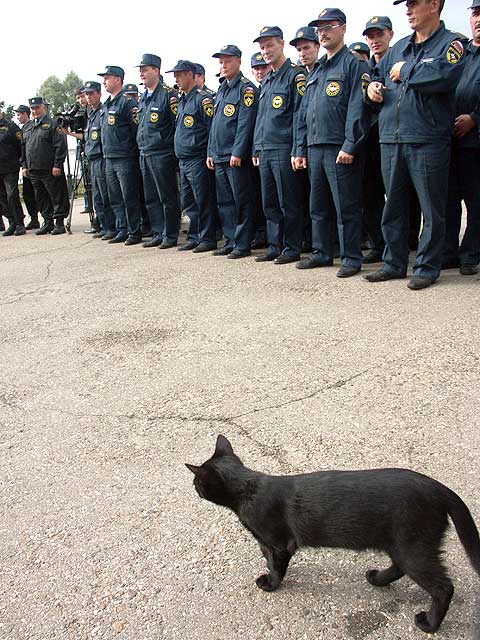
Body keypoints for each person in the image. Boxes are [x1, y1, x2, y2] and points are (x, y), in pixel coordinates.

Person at [365, 0, 467, 290]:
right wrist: (371, 87)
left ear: (434, 4)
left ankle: (426, 266)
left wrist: (406, 70)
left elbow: (445, 75)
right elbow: (376, 74)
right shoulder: (398, 47)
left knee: (431, 209)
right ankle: (394, 263)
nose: (408, 9)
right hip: (392, 139)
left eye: (414, 3)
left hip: (427, 138)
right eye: (406, 5)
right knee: (393, 207)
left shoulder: (452, 43)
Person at [294, 8, 371, 277]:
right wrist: (300, 148)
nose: (323, 33)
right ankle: (322, 252)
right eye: (319, 29)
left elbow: (358, 107)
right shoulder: (316, 71)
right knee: (318, 206)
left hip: (339, 148)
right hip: (315, 147)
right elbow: (304, 112)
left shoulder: (353, 64)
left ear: (343, 29)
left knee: (345, 207)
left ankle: (350, 256)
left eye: (328, 27)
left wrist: (351, 144)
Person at [252, 26, 307, 264]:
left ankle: (293, 246)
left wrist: (298, 149)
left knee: (289, 201)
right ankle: (275, 245)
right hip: (265, 150)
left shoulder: (295, 76)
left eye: (270, 45)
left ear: (282, 44)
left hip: (284, 148)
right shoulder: (268, 79)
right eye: (262, 47)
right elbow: (261, 118)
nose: (266, 51)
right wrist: (256, 146)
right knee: (270, 202)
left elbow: (299, 115)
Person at [207, 44, 259, 258]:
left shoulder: (246, 89)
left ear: (238, 61)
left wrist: (238, 152)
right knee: (225, 201)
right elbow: (215, 125)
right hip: (219, 155)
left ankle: (243, 242)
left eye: (228, 61)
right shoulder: (222, 89)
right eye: (221, 62)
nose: (224, 65)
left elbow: (245, 124)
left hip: (234, 157)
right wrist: (210, 151)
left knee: (241, 201)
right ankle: (230, 239)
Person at [443, 0, 480, 275]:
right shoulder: (461, 52)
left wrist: (475, 118)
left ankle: (471, 253)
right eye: (476, 13)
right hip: (449, 140)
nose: (479, 19)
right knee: (448, 199)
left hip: (475, 141)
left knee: (475, 200)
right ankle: (449, 252)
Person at [166, 60, 217, 252]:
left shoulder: (202, 99)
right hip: (184, 159)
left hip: (197, 157)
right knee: (189, 201)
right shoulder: (182, 100)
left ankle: (208, 237)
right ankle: (195, 236)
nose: (176, 79)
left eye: (179, 75)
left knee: (203, 199)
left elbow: (211, 129)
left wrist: (209, 153)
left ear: (189, 74)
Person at [136, 53, 181, 249]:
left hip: (163, 153)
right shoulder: (143, 98)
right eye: (140, 71)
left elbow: (176, 125)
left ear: (156, 70)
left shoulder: (168, 94)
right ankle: (157, 231)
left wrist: (171, 150)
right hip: (145, 153)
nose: (142, 74)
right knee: (151, 196)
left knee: (167, 196)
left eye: (145, 70)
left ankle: (170, 234)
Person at [361, 16, 395, 264]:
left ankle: (405, 243)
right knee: (371, 195)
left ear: (390, 35)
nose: (375, 40)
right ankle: (378, 244)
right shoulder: (363, 68)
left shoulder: (400, 59)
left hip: (395, 137)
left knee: (399, 195)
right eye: (370, 36)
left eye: (379, 34)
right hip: (369, 141)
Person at [98, 65, 142, 245]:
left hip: (125, 157)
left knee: (129, 196)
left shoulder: (127, 102)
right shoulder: (107, 104)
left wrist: (130, 151)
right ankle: (122, 228)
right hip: (109, 158)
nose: (104, 81)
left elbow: (135, 130)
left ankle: (134, 231)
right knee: (115, 197)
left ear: (118, 79)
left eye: (107, 78)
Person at [21, 97, 69, 235]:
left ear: (44, 107)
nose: (35, 111)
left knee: (56, 196)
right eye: (32, 108)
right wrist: (24, 166)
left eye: (37, 107)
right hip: (33, 169)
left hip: (50, 169)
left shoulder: (53, 124)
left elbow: (60, 146)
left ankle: (59, 223)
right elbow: (23, 149)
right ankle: (48, 222)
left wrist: (57, 165)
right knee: (41, 197)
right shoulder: (28, 127)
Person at [82, 80, 117, 240]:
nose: (88, 97)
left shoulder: (103, 111)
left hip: (102, 158)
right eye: (86, 94)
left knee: (106, 195)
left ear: (98, 94)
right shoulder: (91, 114)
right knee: (97, 197)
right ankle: (103, 226)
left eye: (91, 94)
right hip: (92, 160)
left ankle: (111, 227)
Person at [0, 103, 25, 236]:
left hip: (10, 168)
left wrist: (20, 162)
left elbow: (20, 145)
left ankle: (20, 223)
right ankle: (11, 222)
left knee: (12, 196)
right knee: (2, 198)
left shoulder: (10, 126)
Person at [15, 105, 40, 230]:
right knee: (27, 194)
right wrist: (23, 165)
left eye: (20, 114)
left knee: (39, 193)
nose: (18, 117)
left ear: (26, 114)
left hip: (35, 166)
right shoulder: (23, 129)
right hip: (27, 166)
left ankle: (49, 219)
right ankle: (34, 219)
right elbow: (22, 149)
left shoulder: (32, 127)